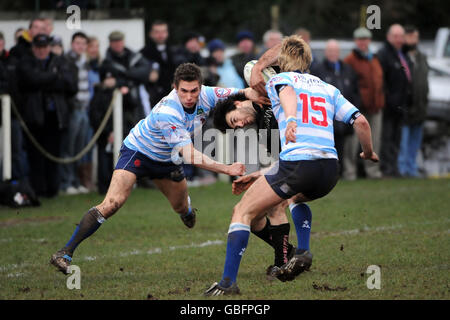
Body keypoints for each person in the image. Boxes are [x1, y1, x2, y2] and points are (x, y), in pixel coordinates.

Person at [50, 62, 269, 274]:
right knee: (112, 203)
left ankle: (187, 209)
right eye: (184, 91)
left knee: (182, 209)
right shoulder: (168, 111)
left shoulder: (208, 94)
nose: (190, 96)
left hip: (167, 160)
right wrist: (227, 169)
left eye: (194, 91)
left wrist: (268, 92)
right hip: (138, 152)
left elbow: (243, 92)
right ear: (175, 88)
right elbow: (190, 155)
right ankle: (65, 253)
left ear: (200, 87)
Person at [205, 35, 379, 296]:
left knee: (242, 211)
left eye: (235, 122)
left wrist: (291, 119)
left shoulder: (279, 81)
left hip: (300, 165)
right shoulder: (327, 87)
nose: (240, 126)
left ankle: (228, 283)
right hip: (330, 170)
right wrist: (368, 152)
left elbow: (287, 93)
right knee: (290, 197)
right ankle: (300, 252)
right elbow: (362, 122)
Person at [213, 92, 297, 280]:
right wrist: (258, 175)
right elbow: (282, 160)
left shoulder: (267, 95)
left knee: (273, 207)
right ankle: (291, 252)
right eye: (236, 126)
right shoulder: (262, 132)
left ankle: (282, 264)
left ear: (237, 104)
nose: (241, 125)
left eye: (236, 120)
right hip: (294, 166)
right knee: (254, 216)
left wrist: (256, 70)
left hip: (309, 162)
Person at [17, 34, 77, 198]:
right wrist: (53, 77)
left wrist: (43, 81)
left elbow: (70, 85)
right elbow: (30, 80)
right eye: (38, 47)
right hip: (34, 116)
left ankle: (52, 189)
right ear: (33, 48)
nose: (42, 51)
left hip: (55, 116)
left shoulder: (60, 61)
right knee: (35, 155)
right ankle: (39, 189)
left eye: (44, 47)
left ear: (49, 47)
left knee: (54, 153)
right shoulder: (26, 61)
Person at [310, 39, 360, 167]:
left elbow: (355, 92)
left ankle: (343, 172)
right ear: (326, 52)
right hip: (326, 118)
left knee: (344, 148)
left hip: (344, 118)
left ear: (339, 52)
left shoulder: (347, 70)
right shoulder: (318, 70)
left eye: (335, 51)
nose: (333, 53)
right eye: (330, 50)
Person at [343, 27, 384, 180]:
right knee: (352, 143)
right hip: (357, 109)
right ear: (356, 41)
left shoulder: (374, 58)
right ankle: (350, 172)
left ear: (369, 41)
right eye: (360, 40)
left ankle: (373, 172)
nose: (363, 42)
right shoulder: (350, 60)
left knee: (375, 142)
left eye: (365, 39)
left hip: (375, 107)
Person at [377, 24, 412, 178]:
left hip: (401, 105)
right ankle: (386, 168)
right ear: (389, 37)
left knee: (397, 139)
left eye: (401, 36)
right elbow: (380, 81)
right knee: (387, 138)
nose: (399, 39)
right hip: (389, 106)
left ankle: (394, 167)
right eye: (396, 36)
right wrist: (388, 99)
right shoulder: (383, 54)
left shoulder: (403, 54)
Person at [60, 32, 91, 195]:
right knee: (69, 148)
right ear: (72, 44)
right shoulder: (67, 61)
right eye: (77, 43)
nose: (80, 46)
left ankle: (76, 181)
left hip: (84, 109)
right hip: (73, 109)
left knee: (79, 148)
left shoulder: (84, 61)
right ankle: (67, 182)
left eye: (83, 44)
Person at [397, 26, 429, 177]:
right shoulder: (401, 57)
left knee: (415, 143)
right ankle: (402, 169)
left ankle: (412, 168)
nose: (413, 40)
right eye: (409, 37)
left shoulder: (422, 57)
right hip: (406, 108)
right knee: (403, 143)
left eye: (415, 37)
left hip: (420, 107)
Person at [140, 20, 176, 107]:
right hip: (152, 97)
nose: (160, 35)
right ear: (151, 34)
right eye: (157, 32)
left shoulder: (174, 51)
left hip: (172, 96)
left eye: (163, 32)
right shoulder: (143, 53)